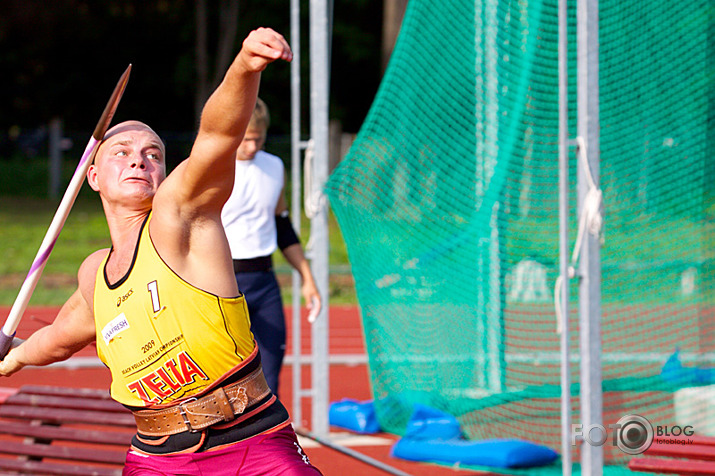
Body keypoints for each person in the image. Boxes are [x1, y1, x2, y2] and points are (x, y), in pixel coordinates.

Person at [0, 28, 322, 475]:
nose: (138, 160)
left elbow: (216, 136)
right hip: (157, 460)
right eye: (122, 152)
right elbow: (57, 338)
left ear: (164, 174)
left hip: (250, 441)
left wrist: (244, 67)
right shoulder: (96, 274)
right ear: (92, 176)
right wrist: (11, 356)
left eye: (153, 154)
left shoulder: (181, 217)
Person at [221, 98, 321, 397]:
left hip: (264, 279)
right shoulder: (214, 168)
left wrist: (307, 278)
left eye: (258, 139)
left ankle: (268, 440)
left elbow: (282, 226)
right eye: (246, 139)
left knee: (271, 370)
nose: (252, 146)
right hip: (224, 281)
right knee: (227, 374)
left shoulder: (273, 166)